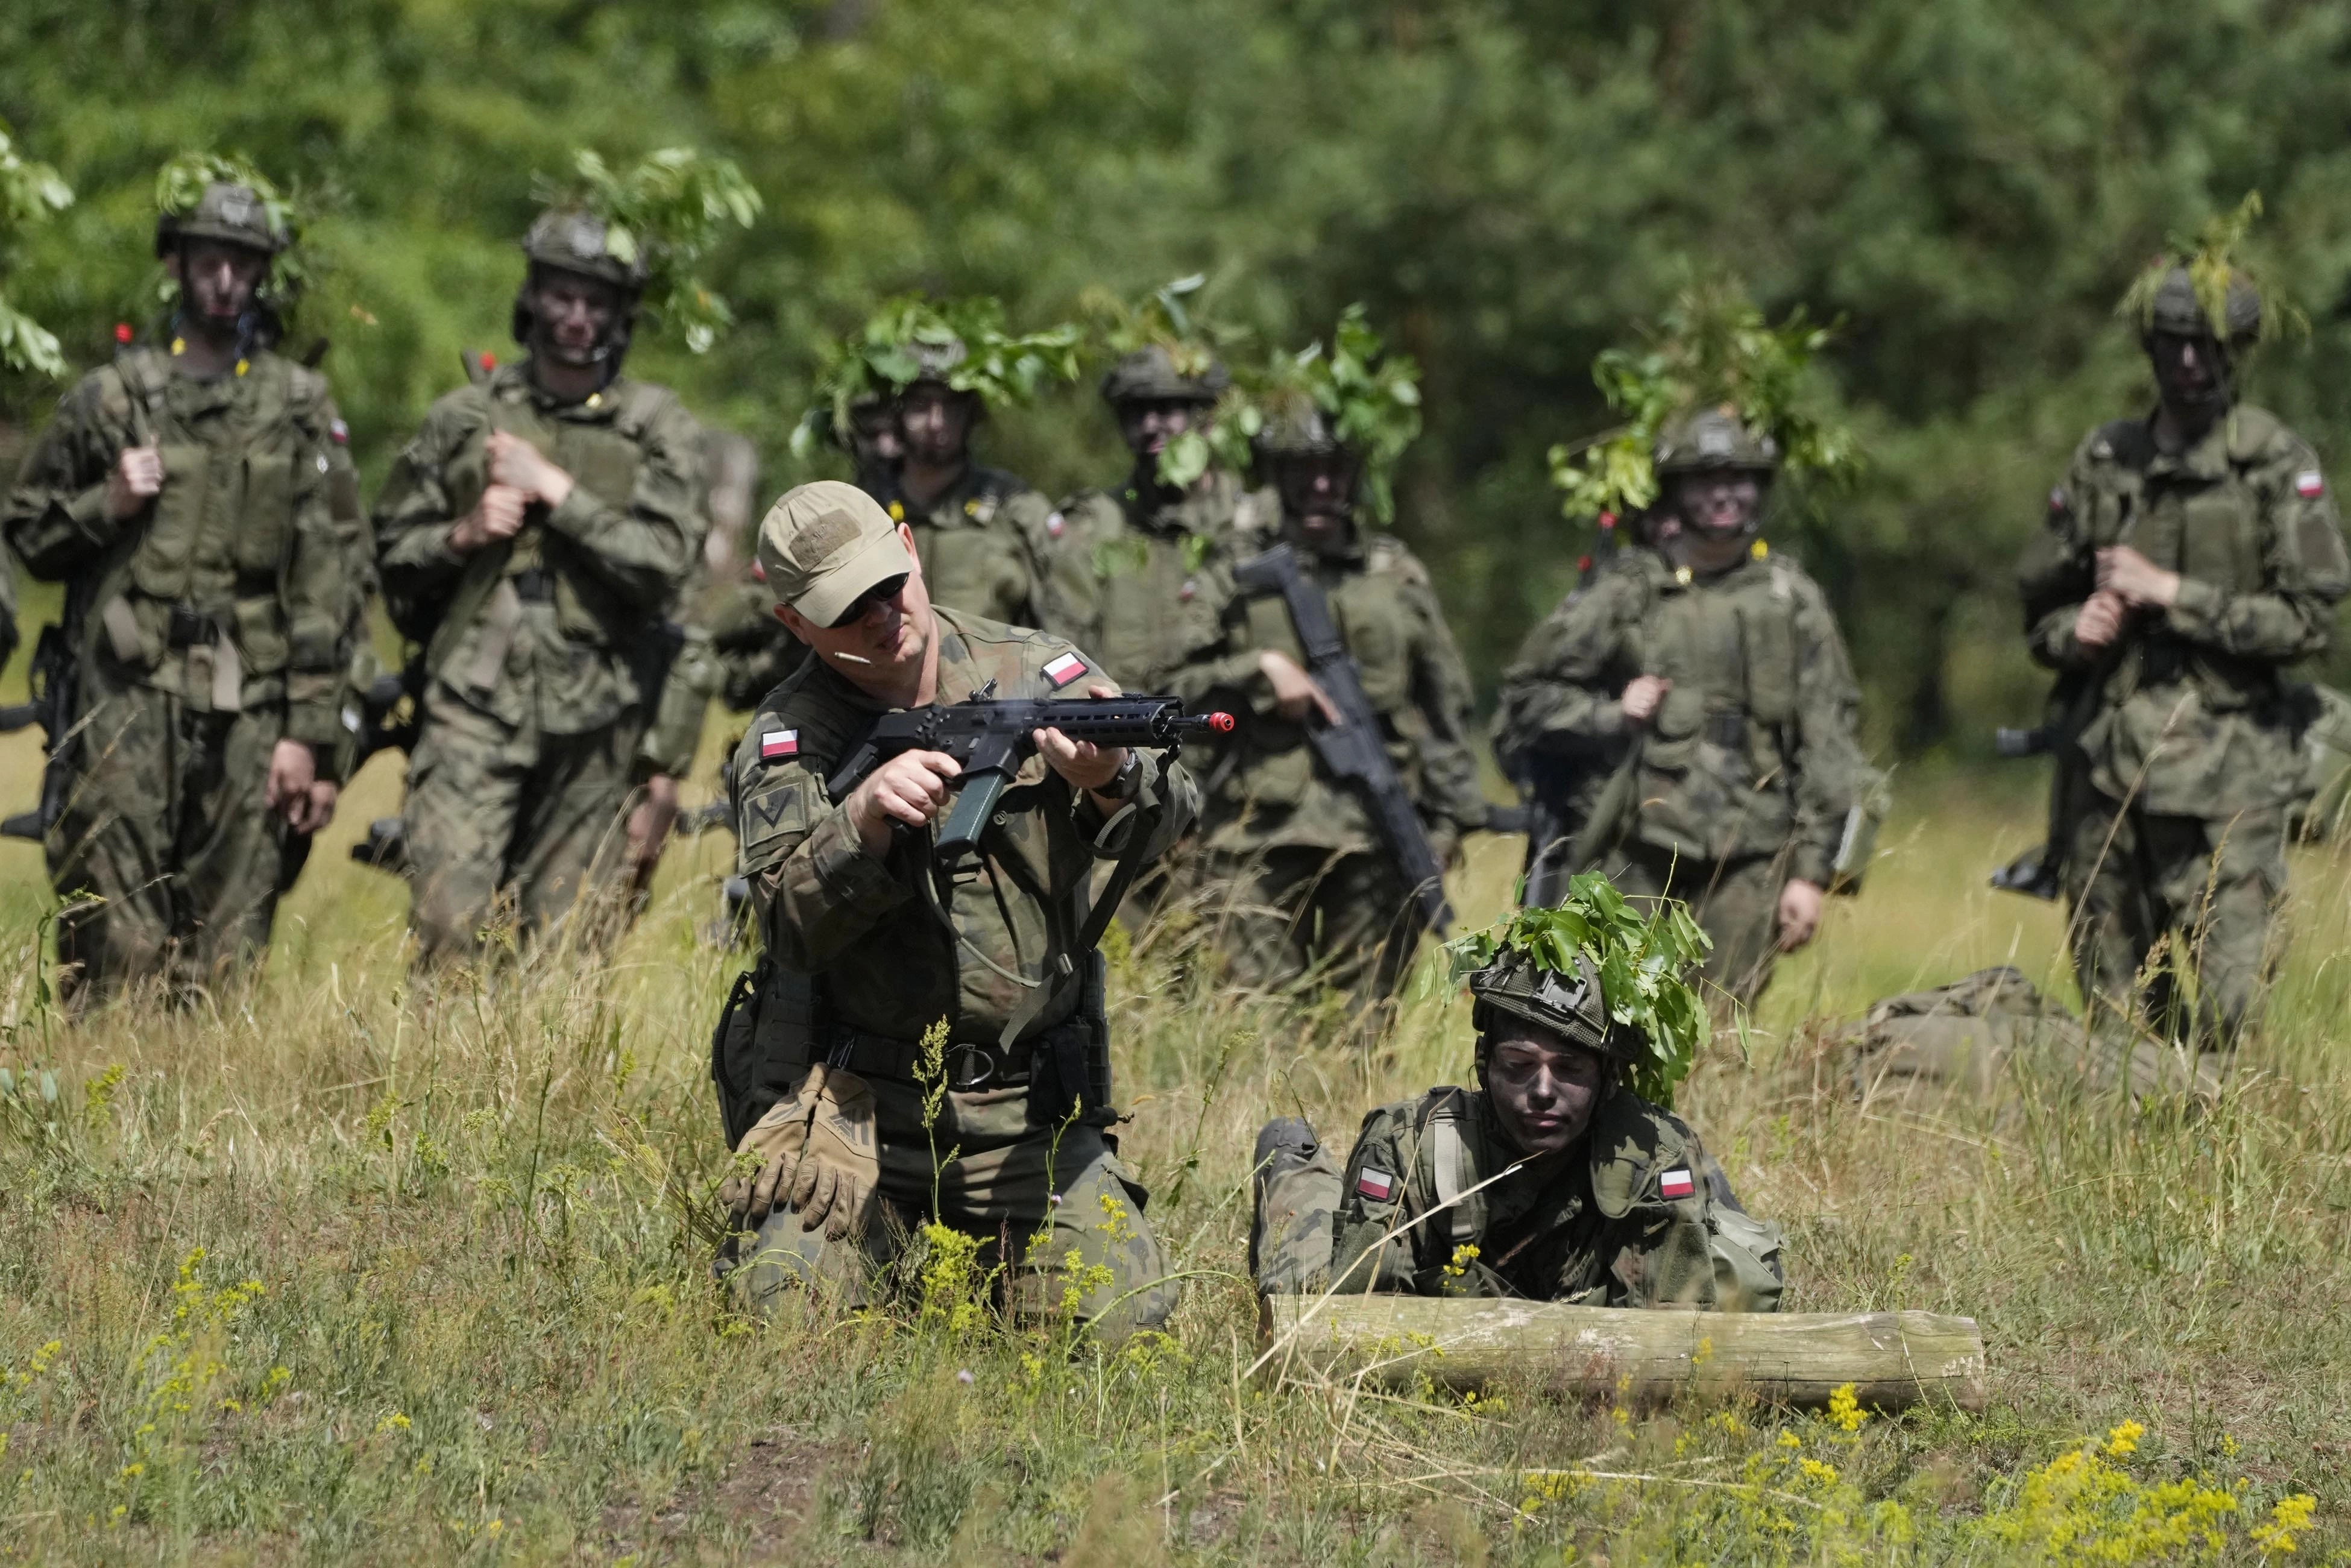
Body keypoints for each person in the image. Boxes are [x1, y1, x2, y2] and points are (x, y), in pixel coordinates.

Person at [716, 480, 1195, 1340]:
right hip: (859, 1118)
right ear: (794, 622)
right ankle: (905, 1261)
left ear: (911, 550)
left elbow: (1177, 810)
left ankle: (970, 1267)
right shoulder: (793, 735)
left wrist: (1112, 779)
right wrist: (862, 823)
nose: (882, 616)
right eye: (847, 607)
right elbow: (786, 927)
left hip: (1030, 1122)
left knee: (1120, 1329)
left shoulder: (1037, 669)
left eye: (887, 585)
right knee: (784, 1319)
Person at [2, 175, 355, 1005]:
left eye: (243, 263)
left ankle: (208, 1078)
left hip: (248, 693)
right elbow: (27, 535)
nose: (225, 281)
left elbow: (329, 579)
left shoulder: (298, 406)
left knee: (227, 939)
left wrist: (311, 735)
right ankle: (103, 1071)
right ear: (176, 264)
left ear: (262, 272)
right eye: (208, 261)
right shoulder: (111, 398)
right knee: (113, 933)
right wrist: (108, 503)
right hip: (124, 690)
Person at [2015, 253, 2348, 1048]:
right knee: (2121, 1017)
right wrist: (2078, 630)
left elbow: (2309, 621)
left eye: (2209, 345)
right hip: (2110, 772)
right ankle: (2133, 1130)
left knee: (2235, 1012)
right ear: (2151, 348)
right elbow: (2040, 611)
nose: (2191, 361)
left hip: (2233, 779)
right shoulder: (2107, 462)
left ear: (2239, 350)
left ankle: (2225, 1127)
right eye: (2174, 343)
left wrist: (2172, 593)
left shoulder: (2274, 465)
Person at [373, 205, 708, 963]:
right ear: (532, 297)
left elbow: (667, 563)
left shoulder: (657, 427)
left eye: (596, 301)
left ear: (620, 314)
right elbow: (389, 557)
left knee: (564, 950)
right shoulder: (465, 417)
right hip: (473, 702)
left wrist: (557, 492)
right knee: (448, 926)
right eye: (561, 295)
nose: (577, 317)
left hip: (599, 714)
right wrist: (462, 535)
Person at [1493, 406, 1876, 1012]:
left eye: (1738, 479)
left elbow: (1830, 743)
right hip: (1636, 845)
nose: (1723, 495)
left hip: (1752, 853)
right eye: (1704, 480)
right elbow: (1527, 698)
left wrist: (1811, 874)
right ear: (1675, 491)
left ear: (1760, 488)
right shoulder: (1627, 591)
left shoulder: (1792, 601)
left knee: (1718, 1021)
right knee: (1608, 1014)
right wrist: (1612, 715)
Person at [1187, 329, 1487, 1007]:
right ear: (1276, 474)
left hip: (1374, 838)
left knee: (1365, 1033)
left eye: (1335, 470)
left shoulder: (1396, 573)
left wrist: (1446, 826)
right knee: (1253, 1028)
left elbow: (1446, 710)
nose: (1321, 486)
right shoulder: (1230, 569)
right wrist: (1261, 672)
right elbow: (1171, 685)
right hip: (1255, 835)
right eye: (1303, 470)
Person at [1250, 945, 1783, 1306]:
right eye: (1519, 1065)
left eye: (1570, 1069)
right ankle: (1293, 1155)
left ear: (1608, 1080)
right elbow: (1363, 1318)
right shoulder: (1407, 1144)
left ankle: (1712, 1196)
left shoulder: (1652, 1153)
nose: (1543, 1089)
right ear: (1484, 1065)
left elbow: (1676, 1332)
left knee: (1746, 1282)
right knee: (1300, 1285)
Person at [1042, 344, 1274, 690]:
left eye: (1166, 409)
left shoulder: (1254, 522)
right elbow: (1062, 657)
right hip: (1124, 721)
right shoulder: (1094, 524)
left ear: (1206, 419)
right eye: (1135, 413)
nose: (1150, 426)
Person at [867, 331, 1060, 628]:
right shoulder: (866, 510)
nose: (936, 422)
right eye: (921, 405)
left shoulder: (1017, 511)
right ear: (897, 412)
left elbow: (1063, 624)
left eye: (952, 406)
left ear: (972, 413)